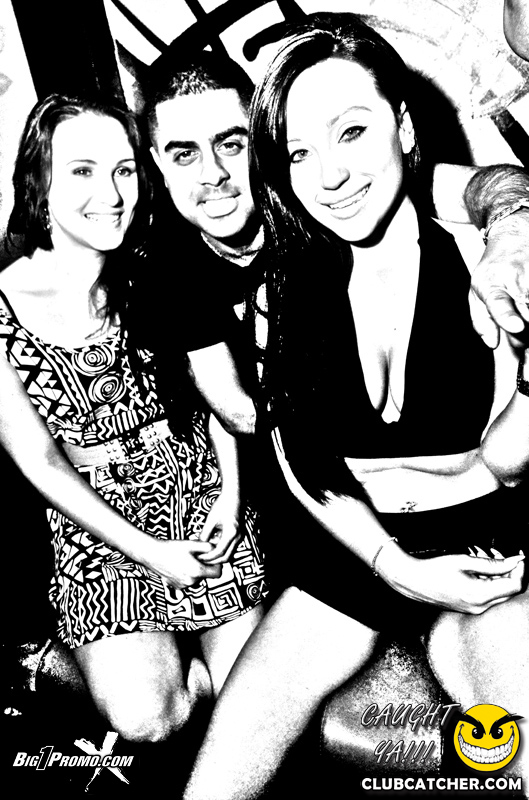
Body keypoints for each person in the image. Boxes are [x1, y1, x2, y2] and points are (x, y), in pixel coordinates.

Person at [183, 14, 528, 799]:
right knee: (215, 780)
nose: (329, 176)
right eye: (299, 153)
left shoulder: (481, 260)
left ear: (403, 129)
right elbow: (302, 458)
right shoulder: (285, 283)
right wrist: (388, 563)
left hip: (485, 550)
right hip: (353, 550)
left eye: (351, 132)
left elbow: (509, 462)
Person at [0, 94, 267, 757]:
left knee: (256, 707)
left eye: (123, 170)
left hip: (204, 506)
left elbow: (219, 402)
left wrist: (230, 502)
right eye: (82, 171)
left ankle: (198, 671)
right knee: (148, 719)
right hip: (98, 533)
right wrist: (148, 553)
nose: (111, 194)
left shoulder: (159, 268)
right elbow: (39, 460)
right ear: (38, 181)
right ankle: (158, 673)